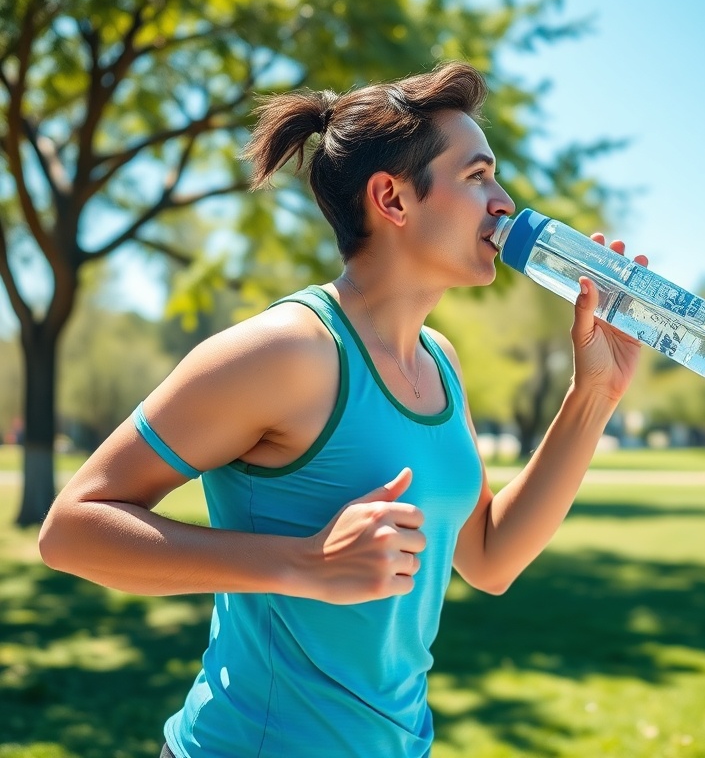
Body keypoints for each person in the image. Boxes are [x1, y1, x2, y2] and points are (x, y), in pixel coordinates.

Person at [38, 62, 647, 757]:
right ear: (392, 198)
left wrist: (594, 394)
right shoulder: (287, 351)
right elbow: (71, 531)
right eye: (477, 176)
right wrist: (301, 563)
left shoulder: (440, 362)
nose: (504, 202)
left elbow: (489, 557)